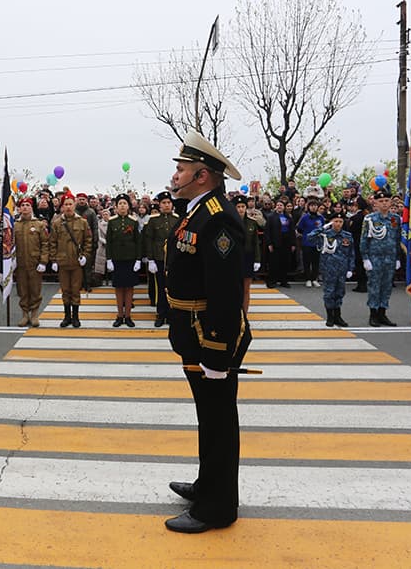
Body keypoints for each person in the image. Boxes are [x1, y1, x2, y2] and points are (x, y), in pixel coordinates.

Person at [163, 131, 251, 534]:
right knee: (208, 417)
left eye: (181, 169)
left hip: (209, 337)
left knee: (218, 420)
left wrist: (217, 353)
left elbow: (226, 292)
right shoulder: (197, 210)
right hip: (193, 333)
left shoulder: (217, 217)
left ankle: (217, 509)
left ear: (202, 175)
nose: (175, 175)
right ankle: (207, 485)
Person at [50, 193, 92, 328]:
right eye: (66, 204)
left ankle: (76, 317)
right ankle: (67, 316)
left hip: (76, 262)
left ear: (74, 205)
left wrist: (85, 255)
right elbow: (52, 243)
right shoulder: (56, 223)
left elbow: (88, 241)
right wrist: (54, 260)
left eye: (70, 204)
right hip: (62, 262)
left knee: (75, 290)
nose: (68, 207)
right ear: (62, 207)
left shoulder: (83, 222)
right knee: (65, 290)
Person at [360, 190, 402, 327]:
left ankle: (383, 313)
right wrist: (365, 258)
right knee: (374, 287)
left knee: (386, 286)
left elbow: (397, 240)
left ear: (390, 202)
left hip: (390, 258)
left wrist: (397, 258)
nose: (384, 203)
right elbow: (364, 239)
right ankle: (373, 314)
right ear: (376, 203)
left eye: (386, 201)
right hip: (375, 258)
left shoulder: (396, 219)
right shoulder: (370, 219)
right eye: (381, 201)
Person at [307, 211, 354, 327]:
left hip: (342, 270)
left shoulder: (347, 236)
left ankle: (338, 316)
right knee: (329, 293)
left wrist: (350, 269)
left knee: (340, 293)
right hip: (328, 269)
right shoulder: (324, 235)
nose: (338, 224)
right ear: (331, 222)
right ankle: (330, 317)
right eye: (335, 221)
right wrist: (322, 228)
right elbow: (310, 237)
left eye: (340, 222)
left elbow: (351, 253)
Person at [11, 197, 49, 327]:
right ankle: (24, 314)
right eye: (23, 205)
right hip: (20, 263)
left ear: (31, 208)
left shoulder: (39, 225)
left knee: (35, 290)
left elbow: (45, 244)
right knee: (22, 290)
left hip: (35, 263)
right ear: (19, 208)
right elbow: (10, 245)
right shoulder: (15, 225)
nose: (25, 207)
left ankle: (34, 314)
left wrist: (43, 262)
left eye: (27, 205)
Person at [105, 193, 142, 327]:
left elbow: (138, 242)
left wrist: (138, 259)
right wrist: (109, 259)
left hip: (130, 259)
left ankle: (128, 316)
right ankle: (120, 315)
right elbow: (109, 242)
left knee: (129, 288)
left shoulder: (133, 221)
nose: (122, 206)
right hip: (117, 259)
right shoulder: (112, 221)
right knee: (119, 288)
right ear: (116, 206)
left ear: (128, 206)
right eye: (120, 204)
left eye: (124, 203)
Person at [142, 191, 178, 326]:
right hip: (158, 258)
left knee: (172, 287)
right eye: (164, 203)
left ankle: (171, 314)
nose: (167, 205)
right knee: (160, 287)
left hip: (173, 259)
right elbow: (149, 240)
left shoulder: (177, 219)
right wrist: (150, 259)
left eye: (169, 202)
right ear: (160, 205)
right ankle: (161, 314)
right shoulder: (153, 220)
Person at [232, 196, 262, 314]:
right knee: (234, 288)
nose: (240, 209)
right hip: (233, 258)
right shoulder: (230, 222)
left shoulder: (252, 223)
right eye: (238, 207)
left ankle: (244, 314)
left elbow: (255, 243)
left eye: (243, 207)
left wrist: (257, 260)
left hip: (247, 257)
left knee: (246, 289)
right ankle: (234, 313)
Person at [264, 199, 295, 288]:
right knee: (274, 263)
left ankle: (283, 281)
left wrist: (293, 244)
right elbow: (267, 231)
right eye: (278, 205)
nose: (279, 207)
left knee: (285, 263)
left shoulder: (288, 217)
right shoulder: (271, 217)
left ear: (284, 207)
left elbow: (292, 231)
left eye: (281, 205)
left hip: (286, 243)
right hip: (275, 243)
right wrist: (269, 243)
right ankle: (272, 281)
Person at [296, 199, 325, 288]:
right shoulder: (305, 217)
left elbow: (323, 228)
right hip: (307, 242)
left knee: (316, 262)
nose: (313, 207)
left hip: (317, 243)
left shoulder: (321, 218)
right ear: (308, 207)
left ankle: (314, 279)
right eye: (311, 205)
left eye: (315, 205)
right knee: (307, 261)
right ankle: (308, 279)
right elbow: (299, 228)